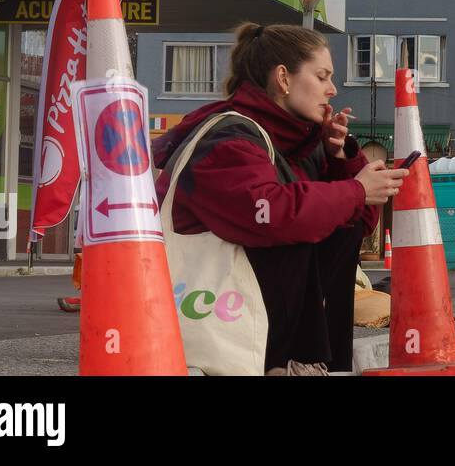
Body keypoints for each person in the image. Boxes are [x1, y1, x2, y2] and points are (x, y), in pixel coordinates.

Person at [151, 22, 408, 375]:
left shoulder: (295, 145)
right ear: (284, 78)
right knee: (297, 225)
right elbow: (271, 215)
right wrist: (356, 189)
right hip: (203, 301)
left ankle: (316, 363)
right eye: (322, 76)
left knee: (332, 225)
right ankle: (288, 362)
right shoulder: (228, 139)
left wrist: (339, 160)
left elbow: (357, 226)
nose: (332, 89)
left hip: (260, 311)